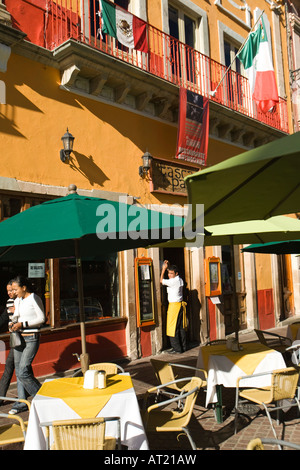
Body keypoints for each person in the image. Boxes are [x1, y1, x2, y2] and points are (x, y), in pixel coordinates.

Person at [9, 275, 45, 414]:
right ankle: (22, 402)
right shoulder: (18, 300)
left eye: (16, 289)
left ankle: (41, 397)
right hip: (19, 337)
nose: (14, 292)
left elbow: (42, 318)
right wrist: (13, 323)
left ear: (24, 287)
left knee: (23, 371)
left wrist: (22, 324)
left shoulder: (34, 298)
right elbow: (17, 315)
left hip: (31, 337)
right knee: (19, 371)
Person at [160, 260, 187, 354]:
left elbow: (161, 281)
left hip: (174, 306)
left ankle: (177, 349)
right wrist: (168, 266)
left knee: (172, 328)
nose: (169, 275)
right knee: (180, 328)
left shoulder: (173, 281)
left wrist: (163, 269)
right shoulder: (180, 280)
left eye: (171, 273)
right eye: (168, 273)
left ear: (176, 273)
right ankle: (183, 347)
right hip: (179, 305)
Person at [0, 281, 17, 405]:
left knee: (11, 367)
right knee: (24, 370)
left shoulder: (24, 302)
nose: (9, 293)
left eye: (11, 290)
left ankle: (0, 397)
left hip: (23, 338)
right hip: (14, 338)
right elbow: (4, 318)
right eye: (8, 291)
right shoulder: (9, 302)